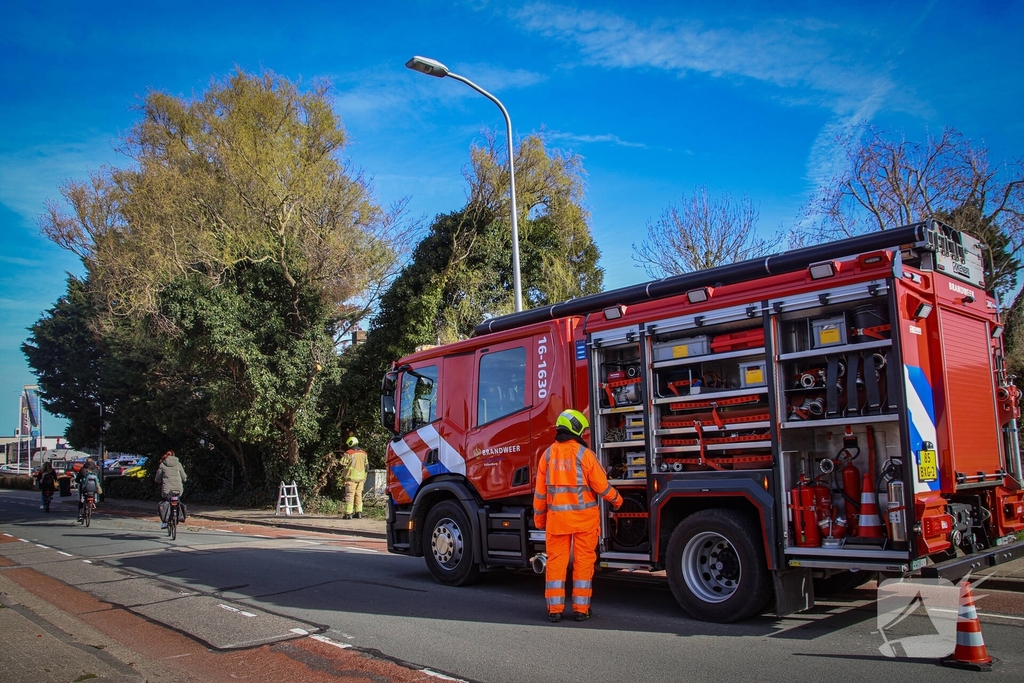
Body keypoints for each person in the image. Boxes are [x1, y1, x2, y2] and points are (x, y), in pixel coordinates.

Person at [534, 409, 623, 623]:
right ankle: (581, 610)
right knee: (583, 563)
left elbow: (540, 494)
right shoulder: (585, 455)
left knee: (555, 563)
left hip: (557, 522)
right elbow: (601, 486)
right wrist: (618, 500)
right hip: (584, 521)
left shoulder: (547, 455)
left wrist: (539, 520)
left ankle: (554, 610)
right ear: (576, 429)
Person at [154, 450, 187, 528]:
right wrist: (184, 480)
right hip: (178, 489)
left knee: (165, 500)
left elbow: (157, 478)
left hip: (167, 489)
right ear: (174, 455)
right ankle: (178, 516)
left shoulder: (162, 465)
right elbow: (184, 476)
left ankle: (165, 522)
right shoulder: (178, 464)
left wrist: (158, 481)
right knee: (177, 500)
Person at [338, 436, 368, 520]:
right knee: (359, 495)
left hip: (351, 478)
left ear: (350, 443)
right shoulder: (364, 453)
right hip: (361, 478)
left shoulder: (348, 453)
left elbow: (342, 463)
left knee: (350, 495)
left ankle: (348, 514)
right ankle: (359, 513)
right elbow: (367, 466)